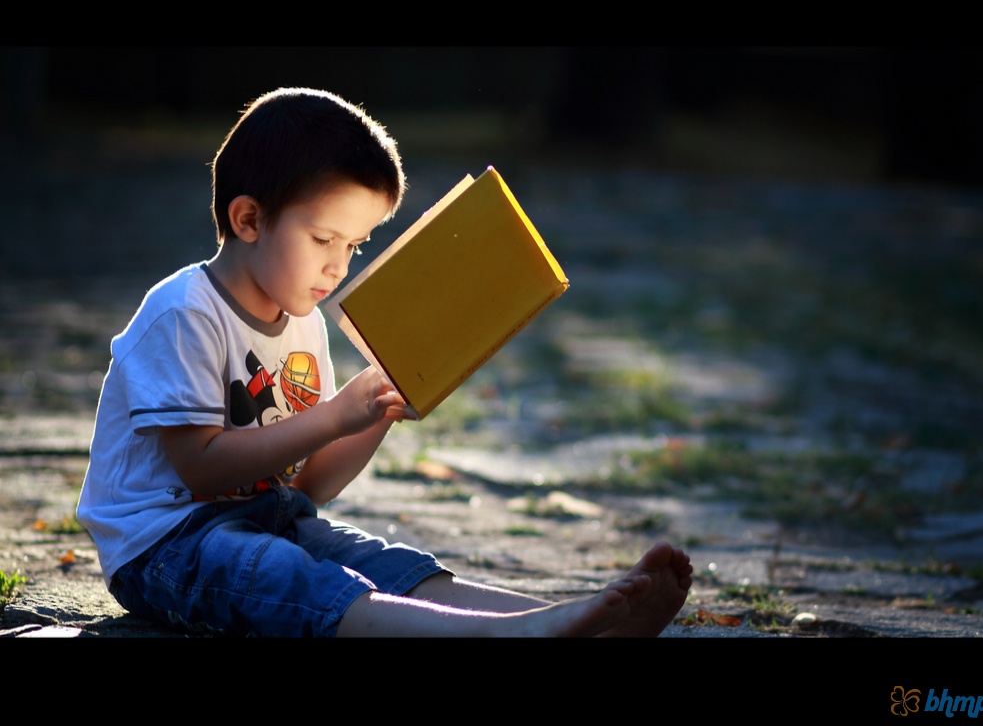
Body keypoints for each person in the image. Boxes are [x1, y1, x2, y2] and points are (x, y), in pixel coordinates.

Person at [76, 86, 693, 637]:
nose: (339, 266)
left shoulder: (304, 323)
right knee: (297, 577)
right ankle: (515, 636)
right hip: (167, 547)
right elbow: (202, 471)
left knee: (375, 559)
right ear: (248, 219)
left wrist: (376, 412)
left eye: (355, 245)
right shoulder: (183, 312)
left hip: (263, 519)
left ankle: (551, 618)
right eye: (323, 240)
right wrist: (334, 416)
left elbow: (306, 487)